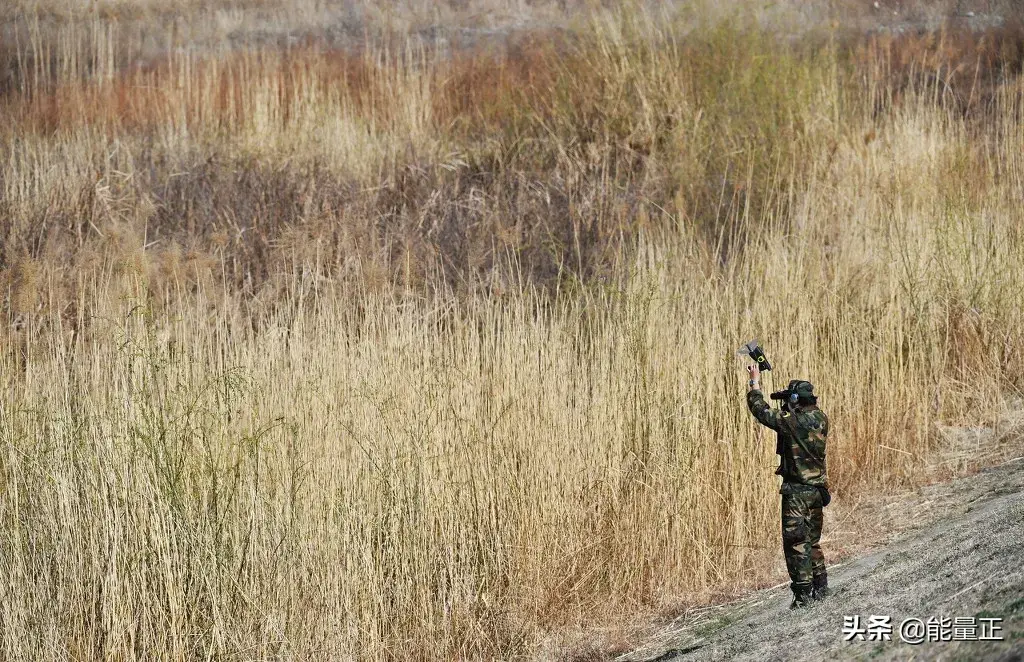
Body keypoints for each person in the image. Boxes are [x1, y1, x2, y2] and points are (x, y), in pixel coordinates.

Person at [745, 364, 832, 609]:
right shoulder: (821, 418)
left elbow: (760, 410)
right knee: (812, 540)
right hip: (817, 490)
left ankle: (803, 595)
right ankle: (821, 585)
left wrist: (755, 383)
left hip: (797, 493)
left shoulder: (790, 422)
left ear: (795, 399)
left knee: (795, 543)